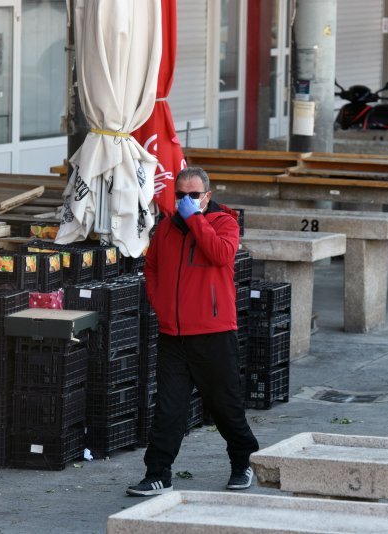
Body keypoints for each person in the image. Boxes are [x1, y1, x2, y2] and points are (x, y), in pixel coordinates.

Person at [127, 167, 259, 496]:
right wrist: (160, 305)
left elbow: (220, 254)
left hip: (214, 333)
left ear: (207, 197)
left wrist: (196, 220)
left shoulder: (224, 223)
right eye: (181, 195)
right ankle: (158, 474)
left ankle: (244, 462)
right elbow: (152, 266)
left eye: (194, 195)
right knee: (168, 409)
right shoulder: (166, 230)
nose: (186, 201)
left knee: (225, 406)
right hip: (173, 335)